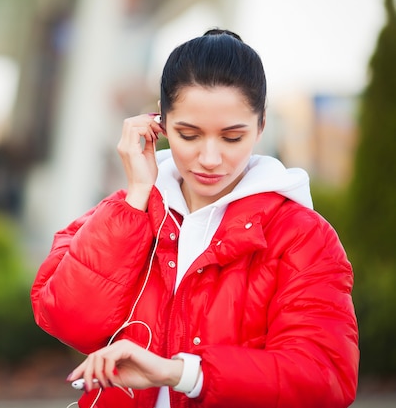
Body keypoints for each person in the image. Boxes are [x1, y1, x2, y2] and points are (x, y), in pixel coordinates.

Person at [30, 29, 359, 408]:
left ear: (261, 125)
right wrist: (137, 194)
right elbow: (68, 321)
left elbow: (326, 377)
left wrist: (185, 374)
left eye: (232, 138)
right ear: (161, 123)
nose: (210, 158)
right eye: (189, 134)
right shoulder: (128, 212)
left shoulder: (302, 237)